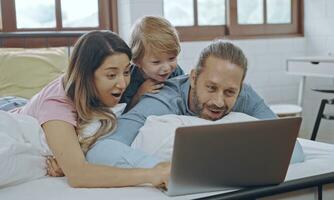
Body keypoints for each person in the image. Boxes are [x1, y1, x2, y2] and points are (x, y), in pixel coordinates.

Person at [87, 40, 287, 170]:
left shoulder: (244, 95)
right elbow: (102, 149)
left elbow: (288, 144)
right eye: (211, 87)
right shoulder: (163, 98)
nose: (218, 101)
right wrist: (164, 169)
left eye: (229, 92)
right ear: (193, 78)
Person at [10, 31, 169, 188]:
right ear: (86, 76)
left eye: (126, 72)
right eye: (111, 75)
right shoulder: (56, 106)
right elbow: (79, 175)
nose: (122, 83)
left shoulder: (101, 90)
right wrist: (151, 174)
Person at [120, 16, 184, 111]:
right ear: (137, 61)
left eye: (171, 58)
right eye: (156, 62)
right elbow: (124, 111)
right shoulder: (130, 78)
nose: (166, 68)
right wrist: (139, 94)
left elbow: (186, 95)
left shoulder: (175, 72)